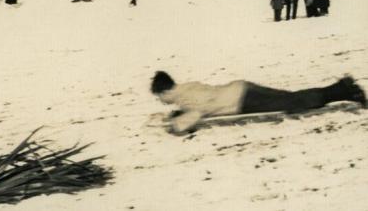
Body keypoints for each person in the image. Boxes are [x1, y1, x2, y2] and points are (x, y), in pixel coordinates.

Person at [150, 71, 366, 134]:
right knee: (292, 98)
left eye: (160, 97)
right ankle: (342, 88)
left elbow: (198, 111)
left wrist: (175, 125)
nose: (161, 101)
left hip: (244, 99)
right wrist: (180, 114)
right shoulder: (185, 89)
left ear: (166, 91)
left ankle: (345, 89)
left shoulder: (185, 96)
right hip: (241, 91)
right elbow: (196, 106)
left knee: (294, 102)